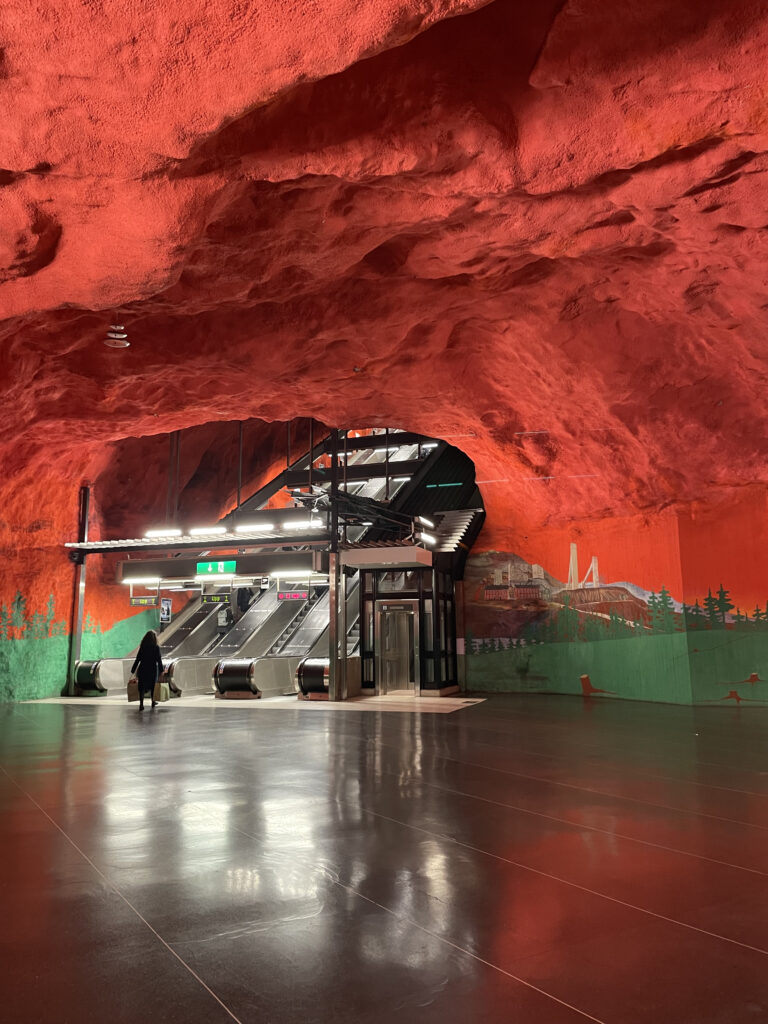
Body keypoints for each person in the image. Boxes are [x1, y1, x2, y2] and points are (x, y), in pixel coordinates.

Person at [130, 630, 163, 711]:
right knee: (152, 686)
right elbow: (159, 660)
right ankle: (153, 701)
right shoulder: (156, 647)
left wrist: (133, 669)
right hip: (152, 669)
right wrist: (162, 670)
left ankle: (141, 704)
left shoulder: (143, 647)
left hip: (143, 669)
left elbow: (138, 659)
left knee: (141, 686)